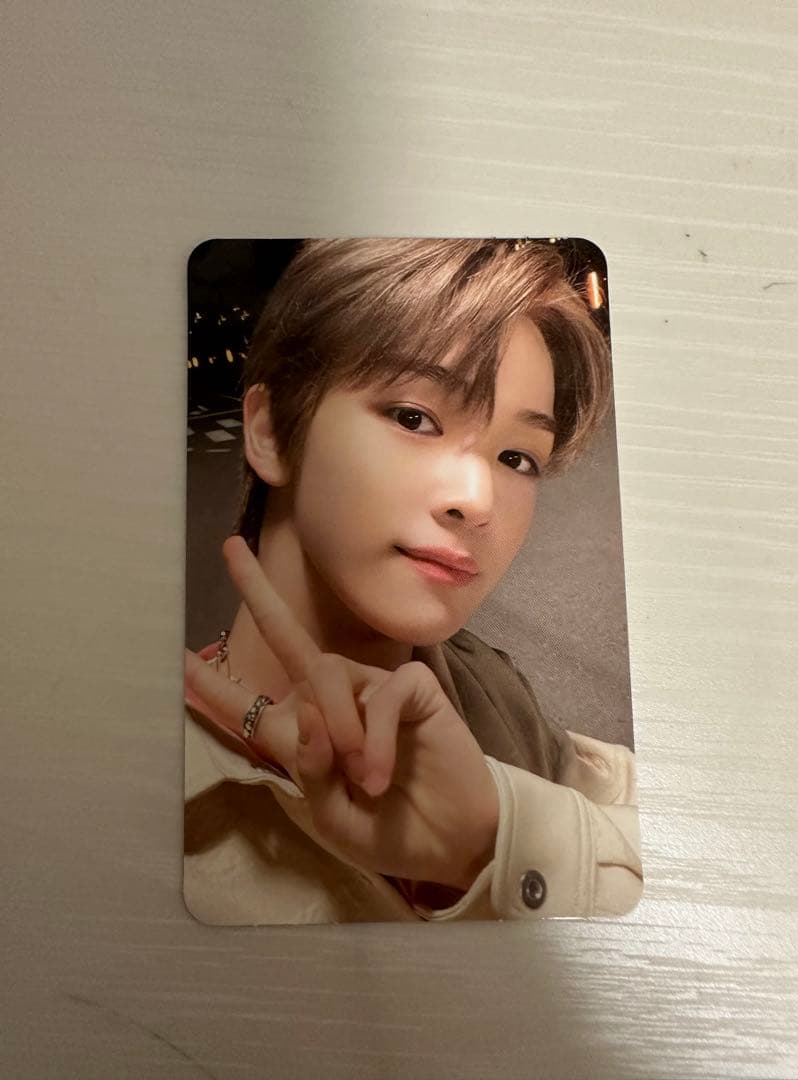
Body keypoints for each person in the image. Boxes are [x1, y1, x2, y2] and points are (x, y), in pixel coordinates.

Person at [183, 238, 643, 924]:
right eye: (414, 418)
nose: (478, 500)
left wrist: (492, 837)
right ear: (272, 430)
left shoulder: (485, 685)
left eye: (517, 458)